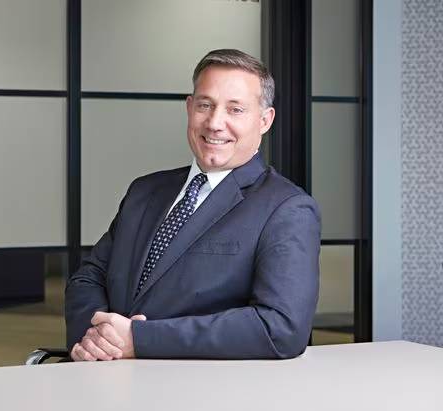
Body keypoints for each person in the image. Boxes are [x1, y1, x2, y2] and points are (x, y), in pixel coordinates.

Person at [65, 49, 321, 361]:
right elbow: (89, 277)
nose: (215, 123)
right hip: (108, 375)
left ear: (265, 120)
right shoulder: (144, 192)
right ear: (189, 108)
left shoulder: (286, 209)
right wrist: (98, 337)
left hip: (204, 384)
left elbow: (280, 327)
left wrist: (140, 340)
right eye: (205, 105)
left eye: (235, 110)